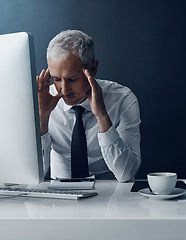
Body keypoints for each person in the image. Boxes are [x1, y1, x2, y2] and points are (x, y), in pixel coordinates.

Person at [36, 30, 141, 182]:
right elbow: (35, 175)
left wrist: (102, 116)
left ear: (93, 69)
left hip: (111, 197)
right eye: (56, 79)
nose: (64, 90)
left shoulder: (122, 99)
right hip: (60, 197)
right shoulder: (44, 99)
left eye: (72, 79)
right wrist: (42, 117)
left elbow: (126, 174)